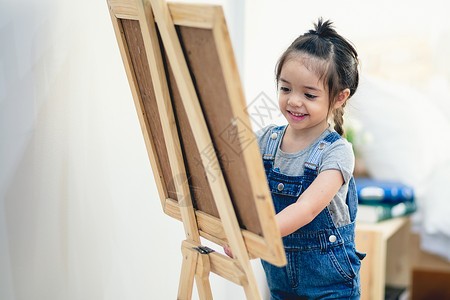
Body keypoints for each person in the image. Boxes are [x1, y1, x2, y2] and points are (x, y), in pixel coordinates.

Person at [225, 18, 366, 299]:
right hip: (280, 285)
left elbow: (306, 209)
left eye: (309, 94)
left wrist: (256, 237)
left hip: (331, 287)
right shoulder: (266, 139)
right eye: (285, 88)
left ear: (339, 98)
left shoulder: (337, 152)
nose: (294, 101)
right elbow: (232, 174)